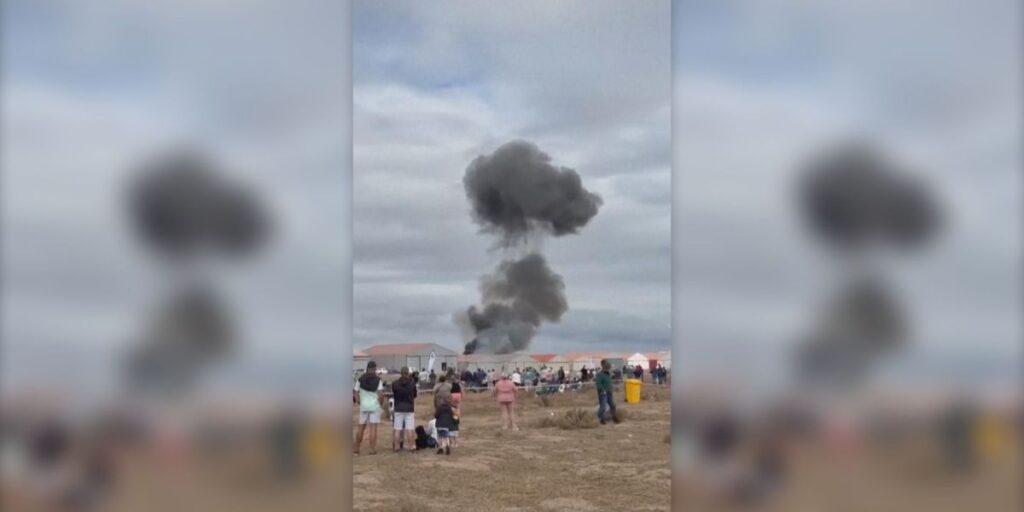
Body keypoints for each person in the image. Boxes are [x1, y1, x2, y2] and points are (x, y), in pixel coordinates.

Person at [353, 361, 385, 455]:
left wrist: (359, 401)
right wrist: (380, 403)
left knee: (361, 428)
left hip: (364, 406)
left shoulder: (361, 379)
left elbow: (355, 392)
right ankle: (372, 449)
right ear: (374, 369)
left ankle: (356, 448)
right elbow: (381, 394)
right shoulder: (378, 380)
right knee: (373, 428)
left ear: (367, 368)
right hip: (374, 406)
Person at [391, 367, 418, 453]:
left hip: (398, 407)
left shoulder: (395, 383)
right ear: (408, 373)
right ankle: (411, 446)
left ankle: (396, 446)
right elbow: (415, 395)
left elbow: (394, 393)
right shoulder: (412, 383)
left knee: (397, 428)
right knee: (410, 428)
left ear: (401, 373)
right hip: (409, 408)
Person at [595, 359, 620, 425]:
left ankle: (614, 417)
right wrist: (603, 390)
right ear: (603, 365)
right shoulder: (600, 374)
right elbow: (598, 383)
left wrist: (614, 388)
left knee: (613, 405)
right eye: (606, 364)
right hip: (603, 393)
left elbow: (609, 383)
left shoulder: (608, 374)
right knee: (603, 407)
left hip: (609, 392)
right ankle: (600, 419)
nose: (608, 365)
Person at [450, 382, 463, 447]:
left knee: (451, 426)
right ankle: (456, 442)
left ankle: (452, 442)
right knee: (456, 426)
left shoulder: (450, 395)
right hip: (457, 410)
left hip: (451, 409)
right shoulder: (459, 395)